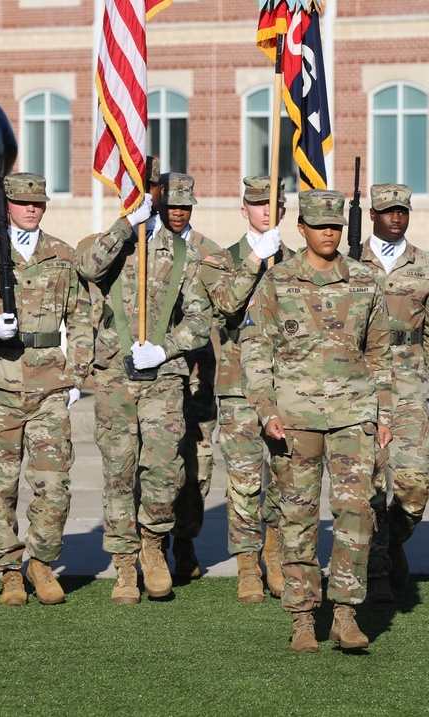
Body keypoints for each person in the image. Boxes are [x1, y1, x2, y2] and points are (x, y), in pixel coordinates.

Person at [241, 189, 394, 653]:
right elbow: (254, 350)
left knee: (355, 515)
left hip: (354, 417)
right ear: (302, 228)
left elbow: (380, 351)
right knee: (297, 519)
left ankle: (345, 615)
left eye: (335, 225)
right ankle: (303, 618)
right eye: (319, 224)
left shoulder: (367, 281)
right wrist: (265, 410)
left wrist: (383, 412)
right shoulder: (277, 281)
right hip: (294, 420)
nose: (329, 231)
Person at [77, 169, 213, 604]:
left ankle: (153, 546)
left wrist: (166, 348)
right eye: (138, 185)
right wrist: (124, 226)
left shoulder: (181, 253)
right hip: (114, 376)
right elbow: (87, 268)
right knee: (118, 471)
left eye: (152, 187)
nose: (147, 193)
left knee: (162, 467)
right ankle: (124, 566)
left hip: (163, 378)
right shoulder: (109, 244)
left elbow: (199, 320)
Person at [0, 172, 92, 606]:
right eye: (21, 202)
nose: (31, 209)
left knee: (54, 483)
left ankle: (41, 561)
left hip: (50, 383)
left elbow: (81, 319)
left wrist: (77, 374)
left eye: (38, 203)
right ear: (7, 206)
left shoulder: (62, 255)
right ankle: (10, 569)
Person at [198, 175, 290, 603]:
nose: (266, 211)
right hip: (238, 388)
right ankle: (248, 565)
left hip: (288, 389)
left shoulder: (299, 261)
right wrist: (256, 258)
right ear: (244, 210)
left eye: (273, 204)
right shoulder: (222, 258)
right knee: (244, 481)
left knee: (286, 479)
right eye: (258, 204)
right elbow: (225, 305)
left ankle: (276, 554)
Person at [362, 183, 429, 603]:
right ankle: (376, 570)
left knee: (414, 484)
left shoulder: (427, 268)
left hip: (410, 383)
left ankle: (395, 539)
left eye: (402, 211)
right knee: (366, 484)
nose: (396, 218)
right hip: (360, 384)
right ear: (372, 216)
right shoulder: (347, 263)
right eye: (387, 211)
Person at [157, 171, 222, 579]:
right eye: (170, 206)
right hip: (155, 369)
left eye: (184, 206)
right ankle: (154, 539)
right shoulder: (142, 250)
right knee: (157, 458)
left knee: (198, 457)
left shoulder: (209, 251)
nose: (178, 213)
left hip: (197, 368)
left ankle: (185, 538)